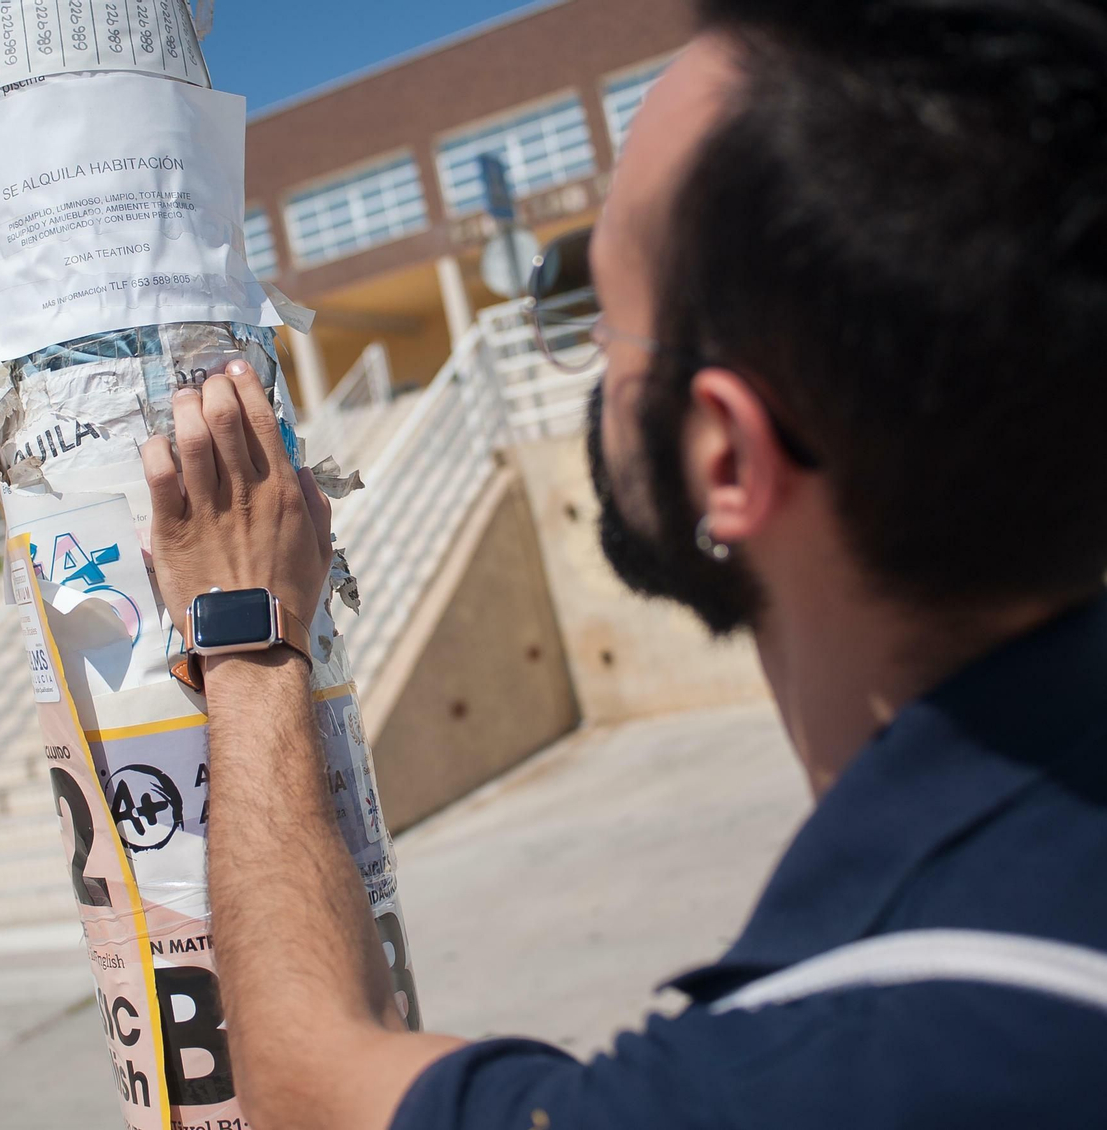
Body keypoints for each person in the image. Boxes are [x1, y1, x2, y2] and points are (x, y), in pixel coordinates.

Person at [137, 1, 1107, 1125]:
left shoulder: (831, 1070)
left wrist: (246, 632)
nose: (590, 350)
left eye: (604, 309)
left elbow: (312, 1088)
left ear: (725, 457)